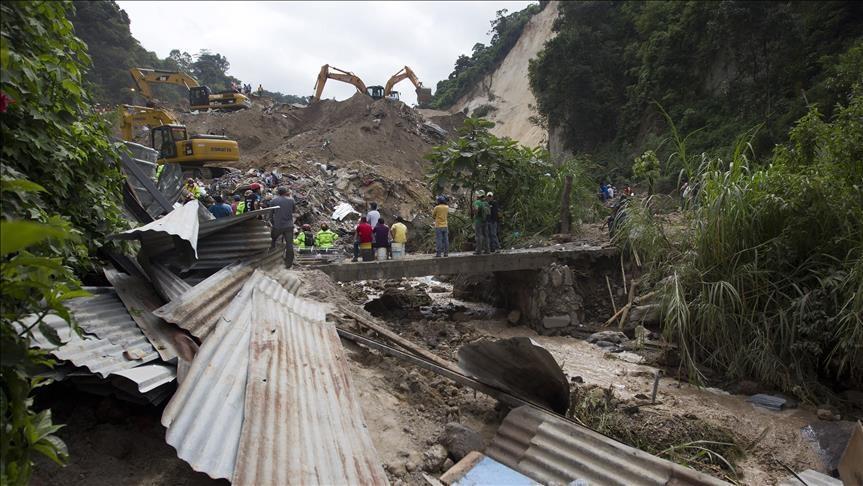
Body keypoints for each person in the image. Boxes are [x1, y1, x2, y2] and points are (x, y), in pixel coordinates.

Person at [269, 187, 295, 267]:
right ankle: (288, 264)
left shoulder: (273, 201)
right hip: (289, 225)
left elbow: (271, 214)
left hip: (278, 225)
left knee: (272, 241)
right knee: (289, 244)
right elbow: (293, 211)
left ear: (278, 192)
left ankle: (272, 260)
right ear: (285, 192)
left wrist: (273, 223)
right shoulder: (291, 200)